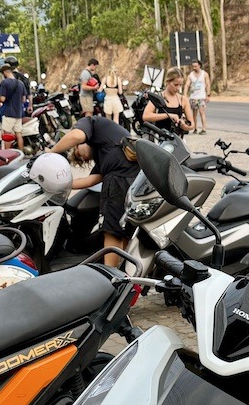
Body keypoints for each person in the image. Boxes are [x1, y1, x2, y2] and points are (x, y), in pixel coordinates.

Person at [50, 114, 137, 266]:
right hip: (134, 179)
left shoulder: (91, 122)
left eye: (77, 153)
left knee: (111, 230)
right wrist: (57, 184)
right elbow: (88, 181)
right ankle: (124, 270)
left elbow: (75, 136)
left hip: (119, 180)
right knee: (124, 230)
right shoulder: (104, 153)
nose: (82, 158)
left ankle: (111, 276)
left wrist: (49, 154)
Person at [142, 66, 194, 135]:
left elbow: (192, 125)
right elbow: (146, 116)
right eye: (175, 85)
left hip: (178, 139)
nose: (178, 88)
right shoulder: (158, 97)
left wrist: (184, 126)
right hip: (160, 138)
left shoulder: (183, 100)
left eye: (180, 85)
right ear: (167, 82)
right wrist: (168, 115)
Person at [0, 63, 26, 151]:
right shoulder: (20, 83)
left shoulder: (4, 83)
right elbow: (23, 99)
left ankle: (7, 156)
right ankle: (21, 153)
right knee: (19, 134)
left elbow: (3, 99)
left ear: (5, 72)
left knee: (7, 135)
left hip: (9, 113)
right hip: (19, 113)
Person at [184, 59, 211, 134]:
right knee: (194, 114)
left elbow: (208, 84)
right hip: (193, 97)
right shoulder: (191, 75)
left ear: (199, 65)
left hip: (201, 97)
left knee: (202, 112)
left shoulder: (204, 74)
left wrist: (208, 95)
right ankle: (195, 128)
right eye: (193, 66)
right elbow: (187, 85)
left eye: (196, 66)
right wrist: (185, 95)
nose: (194, 68)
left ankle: (204, 129)